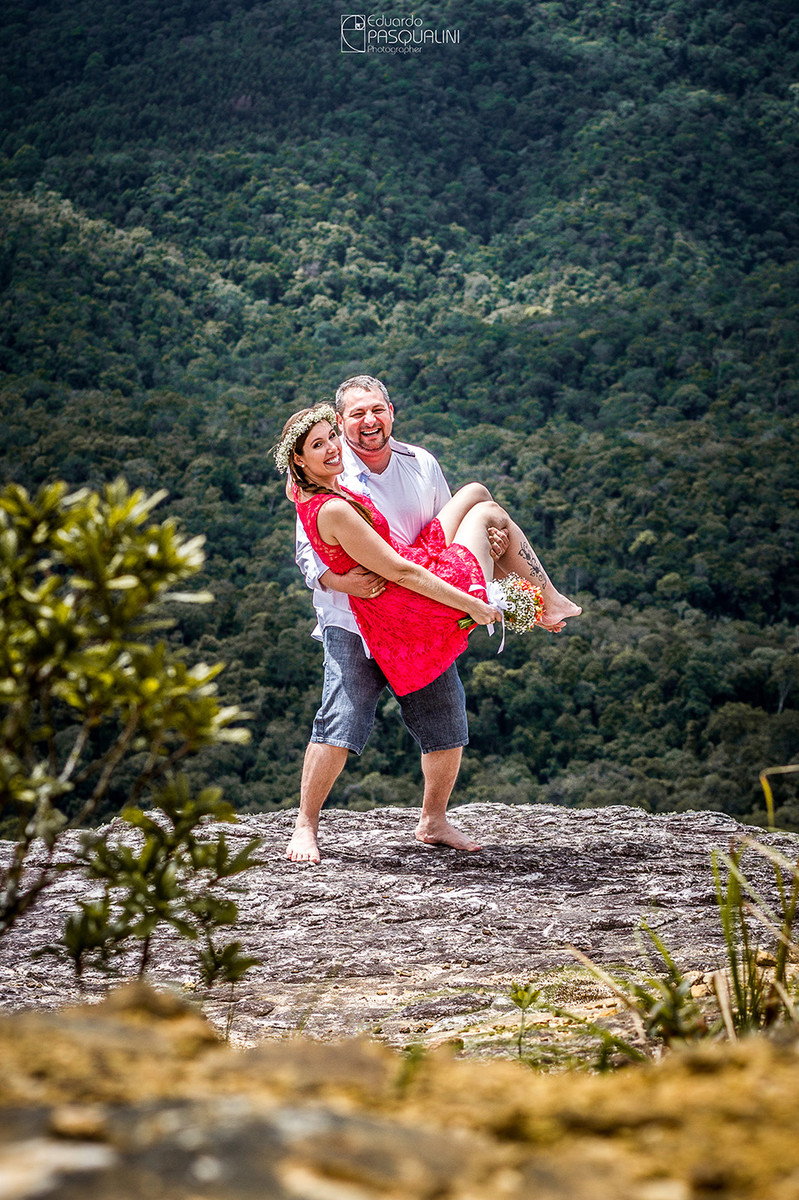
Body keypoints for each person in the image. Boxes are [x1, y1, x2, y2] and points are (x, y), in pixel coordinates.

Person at [282, 378, 581, 863]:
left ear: (391, 412)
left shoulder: (420, 463)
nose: (368, 422)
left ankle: (434, 819)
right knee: (342, 717)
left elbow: (439, 529)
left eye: (377, 410)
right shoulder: (331, 474)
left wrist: (484, 552)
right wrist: (341, 584)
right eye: (356, 414)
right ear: (340, 422)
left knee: (445, 717)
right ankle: (305, 824)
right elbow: (309, 554)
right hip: (355, 620)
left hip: (420, 601)